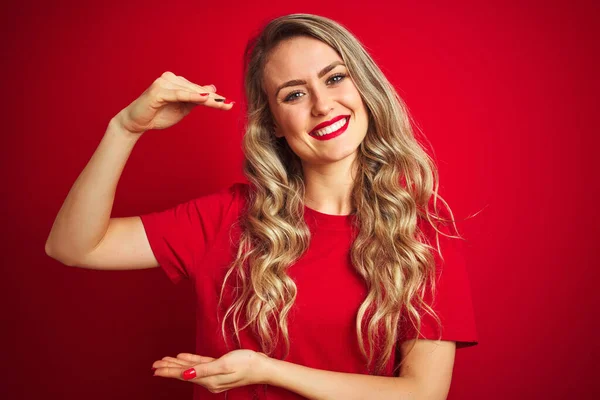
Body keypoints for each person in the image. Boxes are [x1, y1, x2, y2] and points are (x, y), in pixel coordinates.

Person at [45, 13, 478, 400]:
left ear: (364, 87)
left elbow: (423, 393)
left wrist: (267, 371)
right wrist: (125, 128)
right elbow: (75, 247)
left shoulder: (422, 238)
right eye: (293, 95)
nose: (323, 104)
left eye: (334, 78)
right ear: (272, 121)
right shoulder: (226, 217)